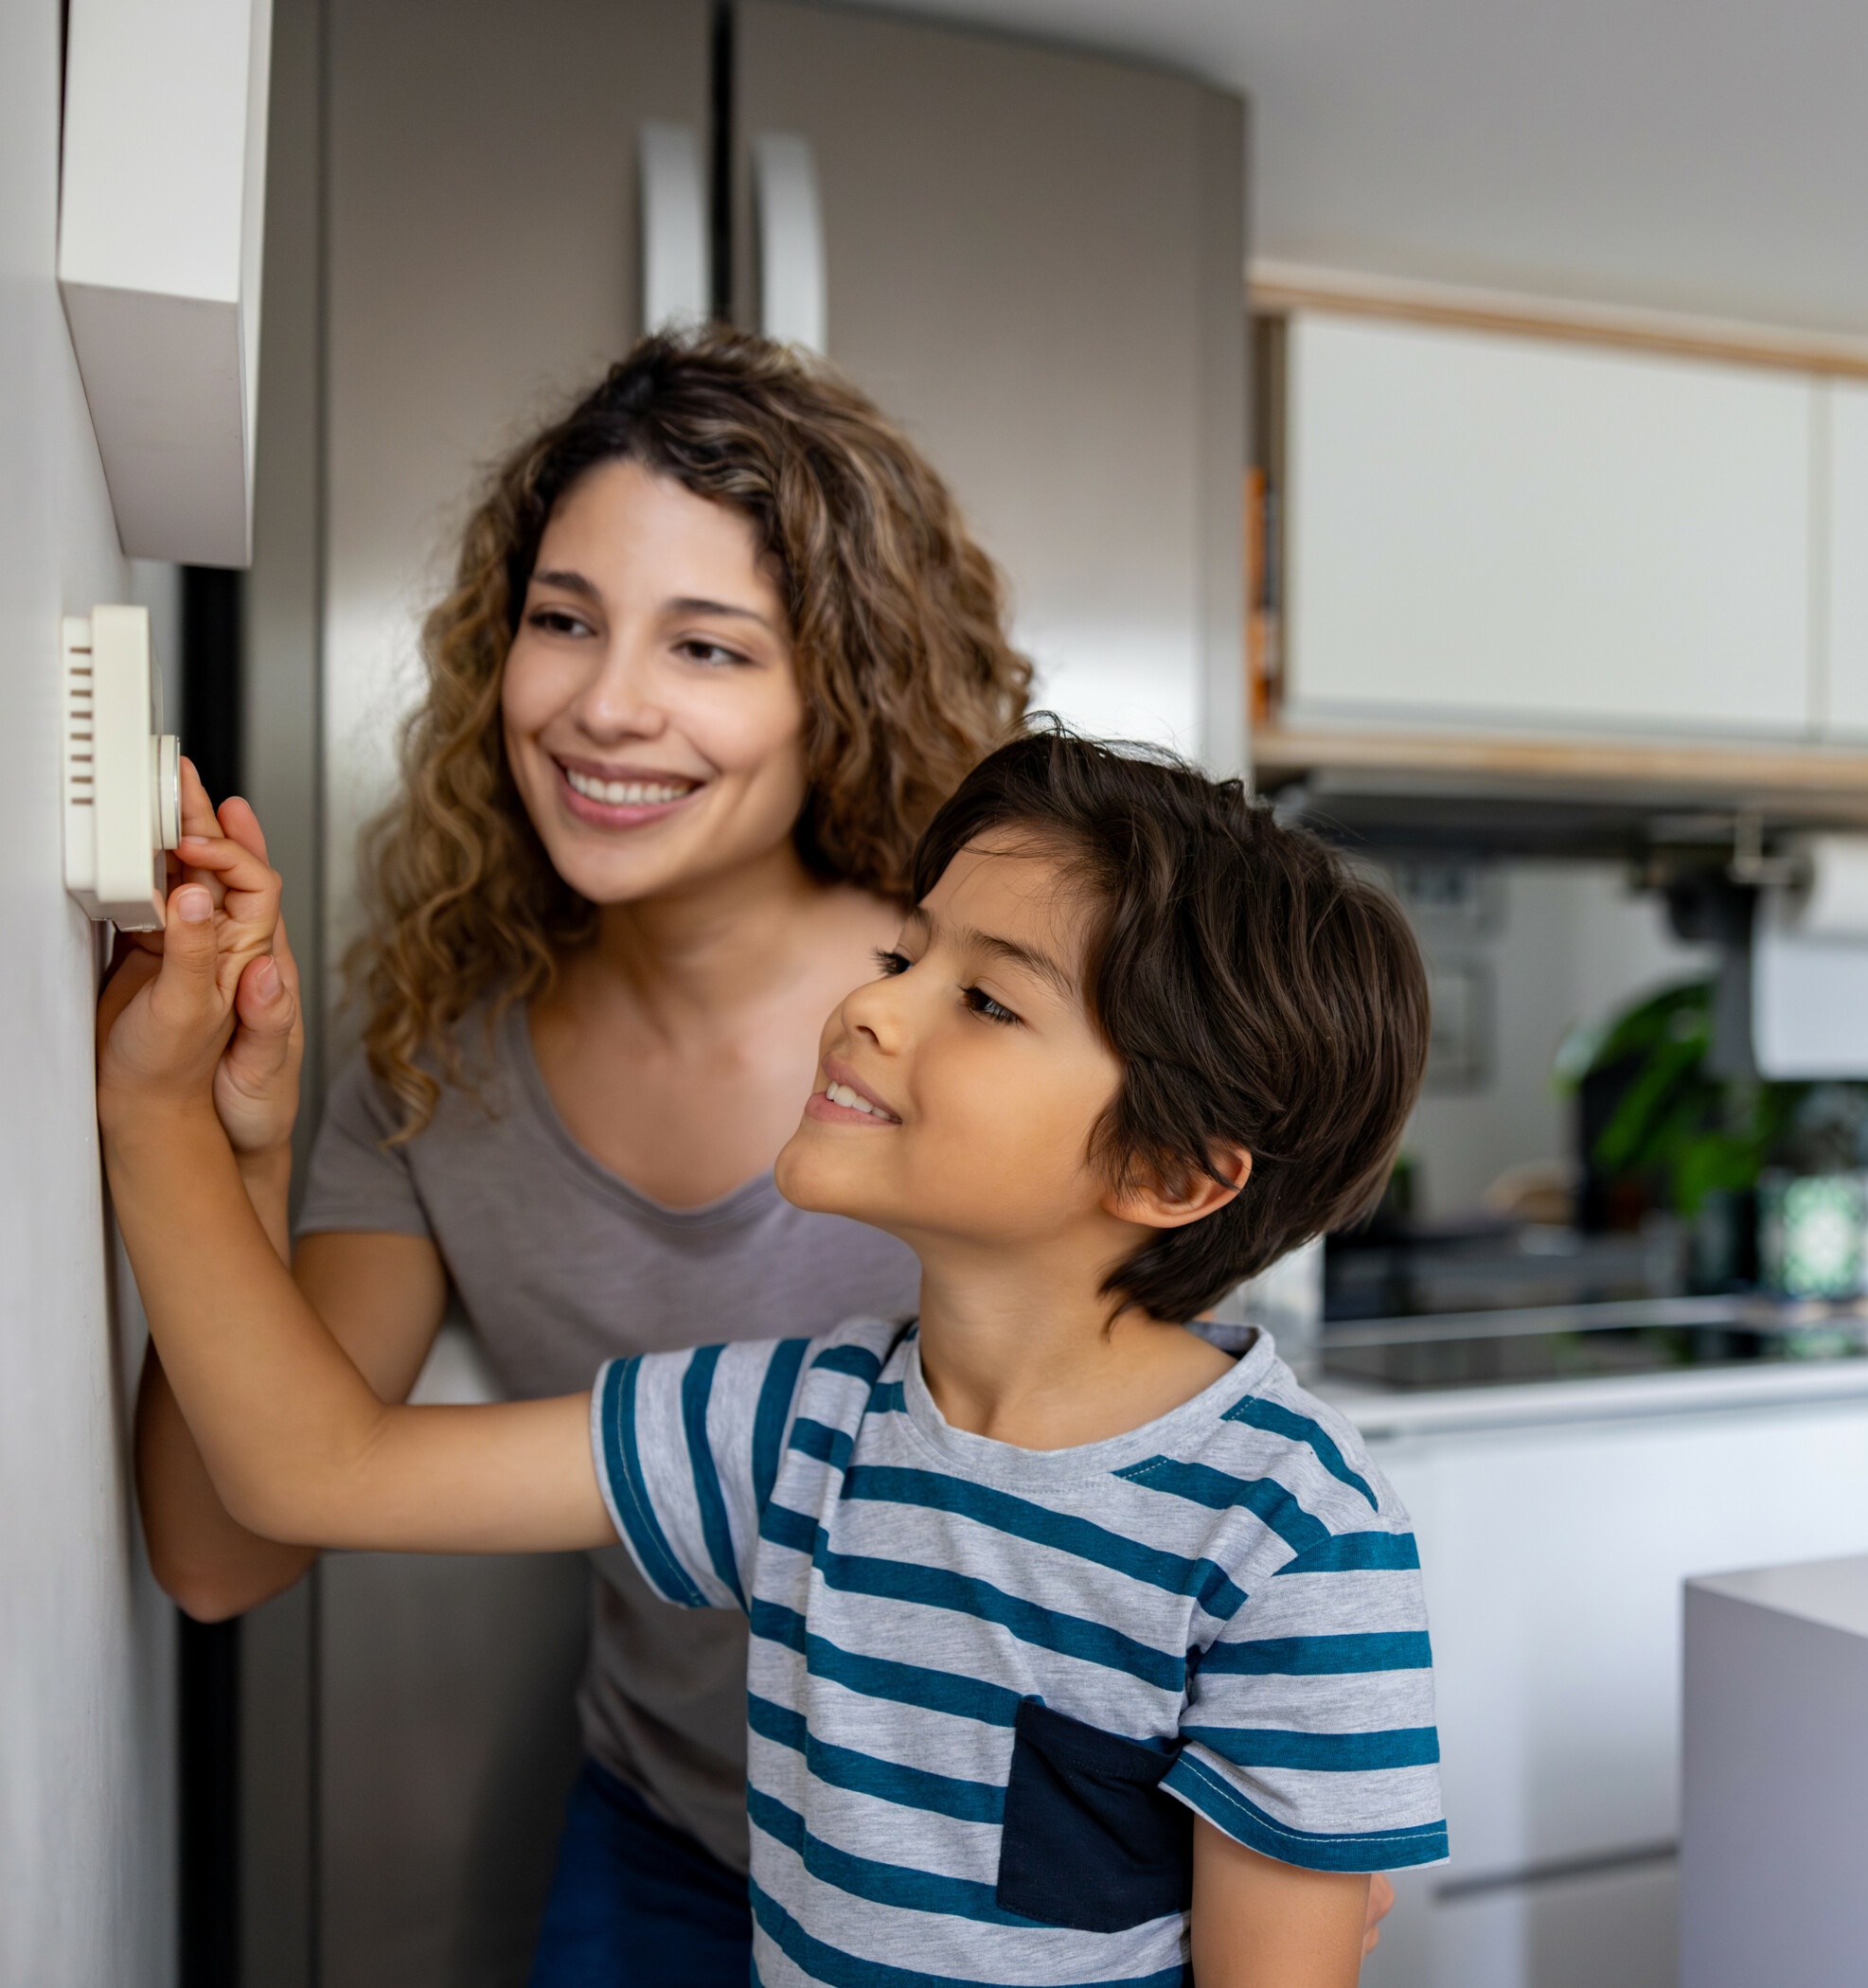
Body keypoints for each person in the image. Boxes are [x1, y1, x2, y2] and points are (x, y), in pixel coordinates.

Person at [102, 729, 1445, 1988]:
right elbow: (315, 1471)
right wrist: (161, 1110)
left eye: (982, 999)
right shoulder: (795, 1424)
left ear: (1169, 1170)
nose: (873, 1009)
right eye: (904, 956)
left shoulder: (1295, 1540)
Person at [131, 330, 1033, 1981]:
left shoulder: (986, 1028)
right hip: (669, 1838)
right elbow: (222, 1548)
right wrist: (229, 1140)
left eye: (709, 645)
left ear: (839, 684)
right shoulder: (433, 1059)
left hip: (1006, 1880)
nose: (606, 705)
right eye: (564, 620)